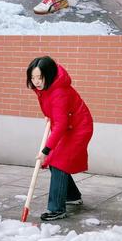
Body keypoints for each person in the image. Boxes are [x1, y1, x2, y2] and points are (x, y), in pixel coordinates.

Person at [26, 56, 93, 221]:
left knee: (58, 162)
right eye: (33, 77)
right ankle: (72, 196)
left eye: (39, 77)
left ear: (48, 75)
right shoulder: (45, 88)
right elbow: (55, 111)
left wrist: (45, 150)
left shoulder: (59, 91)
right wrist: (50, 115)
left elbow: (62, 124)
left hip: (78, 128)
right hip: (67, 124)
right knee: (56, 162)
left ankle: (57, 209)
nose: (36, 81)